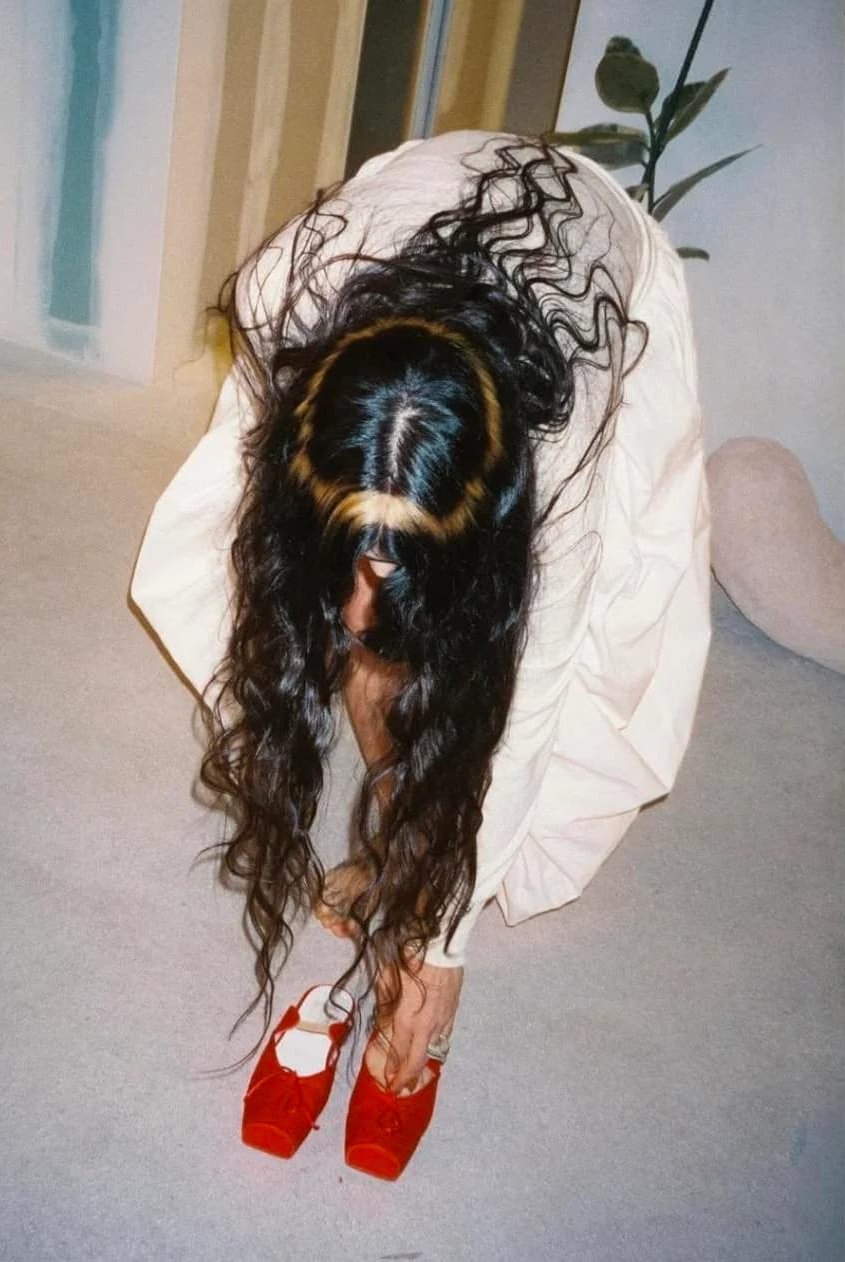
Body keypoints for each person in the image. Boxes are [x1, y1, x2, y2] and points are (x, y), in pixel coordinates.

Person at [132, 132, 711, 1108]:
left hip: (591, 284)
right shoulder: (282, 306)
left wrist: (440, 939)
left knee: (559, 668)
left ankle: (403, 854)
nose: (354, 619)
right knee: (357, 632)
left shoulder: (560, 447)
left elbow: (521, 710)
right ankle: (388, 845)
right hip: (379, 243)